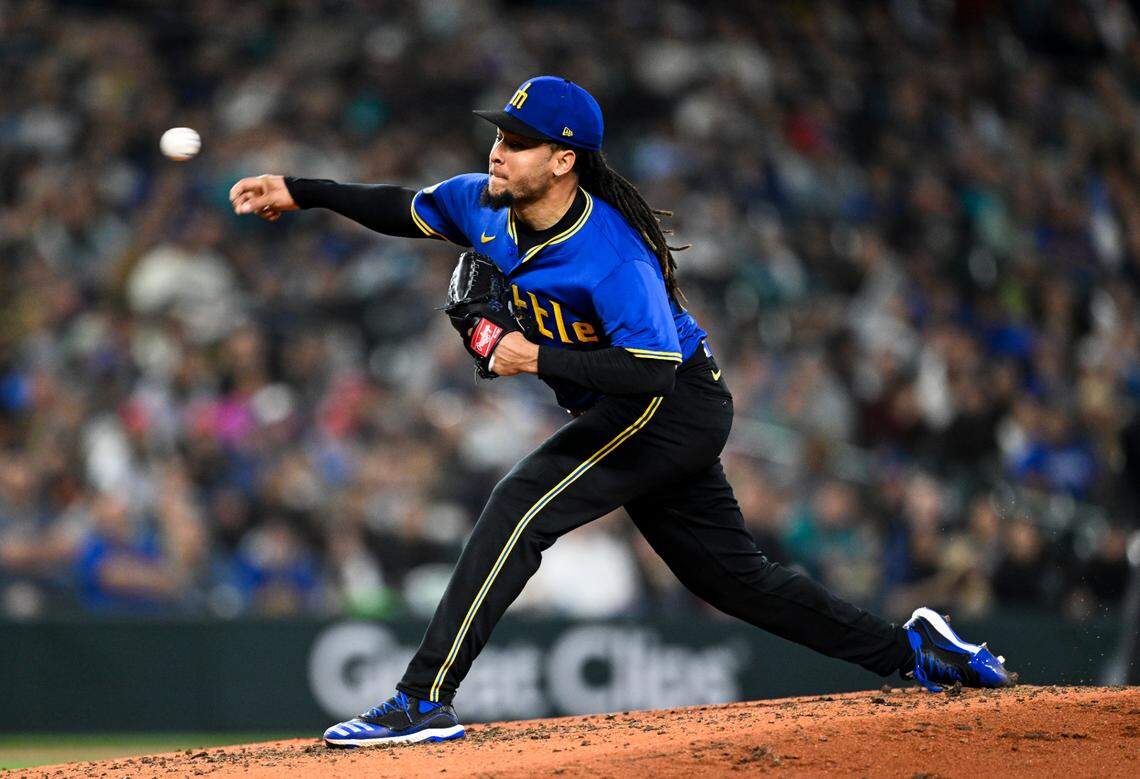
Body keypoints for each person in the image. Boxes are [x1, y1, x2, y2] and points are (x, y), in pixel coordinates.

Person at [230, 76, 1014, 748]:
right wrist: (302, 191)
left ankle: (422, 697)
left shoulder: (611, 255)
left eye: (521, 139)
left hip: (669, 404)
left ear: (564, 161)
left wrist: (534, 356)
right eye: (500, 133)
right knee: (739, 583)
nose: (499, 149)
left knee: (517, 505)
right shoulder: (486, 204)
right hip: (633, 404)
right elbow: (401, 207)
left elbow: (649, 370)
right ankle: (913, 652)